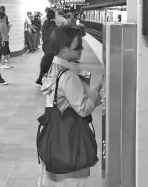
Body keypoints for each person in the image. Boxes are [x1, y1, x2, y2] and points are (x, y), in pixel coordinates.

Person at [38, 26, 103, 187]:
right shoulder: (68, 75)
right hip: (69, 140)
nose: (81, 50)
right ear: (63, 49)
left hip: (55, 137)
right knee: (71, 181)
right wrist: (96, 92)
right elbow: (83, 109)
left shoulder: (54, 67)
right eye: (77, 47)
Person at [35, 10, 57, 85]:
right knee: (49, 63)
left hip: (45, 46)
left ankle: (41, 79)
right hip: (52, 47)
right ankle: (42, 79)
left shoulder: (45, 25)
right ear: (54, 17)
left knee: (47, 61)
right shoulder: (55, 27)